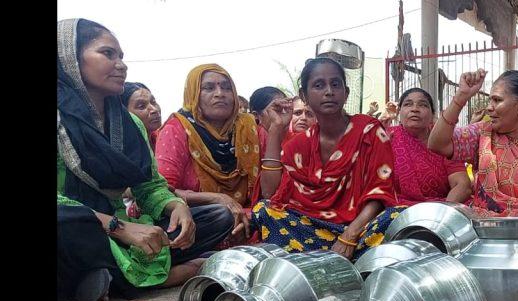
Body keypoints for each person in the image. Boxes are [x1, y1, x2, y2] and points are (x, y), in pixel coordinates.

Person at [57, 19, 232, 301]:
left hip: (126, 230)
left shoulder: (129, 125)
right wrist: (120, 229)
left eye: (122, 56)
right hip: (81, 226)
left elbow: (149, 185)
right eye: (108, 54)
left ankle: (105, 278)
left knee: (216, 217)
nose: (121, 65)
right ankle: (176, 273)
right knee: (67, 225)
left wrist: (176, 207)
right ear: (70, 58)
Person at [250, 57, 403, 260]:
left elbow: (379, 193)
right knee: (264, 211)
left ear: (346, 93)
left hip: (360, 228)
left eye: (335, 84)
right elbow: (270, 193)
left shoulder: (369, 130)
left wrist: (349, 236)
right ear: (304, 95)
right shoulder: (298, 144)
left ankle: (312, 259)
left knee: (397, 216)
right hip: (311, 227)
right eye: (319, 85)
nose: (329, 91)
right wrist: (277, 128)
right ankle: (333, 259)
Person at [427, 69, 518, 246]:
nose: (489, 107)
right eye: (490, 100)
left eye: (497, 100)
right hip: (485, 220)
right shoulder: (484, 131)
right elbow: (437, 144)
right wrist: (461, 97)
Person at [155, 64, 277, 241]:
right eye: (208, 88)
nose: (220, 93)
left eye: (227, 87)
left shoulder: (252, 127)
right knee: (220, 217)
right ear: (193, 94)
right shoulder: (177, 128)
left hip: (250, 216)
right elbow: (163, 191)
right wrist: (217, 199)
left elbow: (271, 191)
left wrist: (277, 131)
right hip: (203, 218)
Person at [389, 87, 473, 205]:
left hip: (442, 208)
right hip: (396, 209)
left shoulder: (446, 141)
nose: (415, 109)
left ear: (433, 115)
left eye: (422, 105)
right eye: (408, 104)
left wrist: (439, 215)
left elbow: (462, 186)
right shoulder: (387, 138)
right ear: (398, 114)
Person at [120, 82, 161, 149]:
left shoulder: (163, 140)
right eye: (141, 106)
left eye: (153, 102)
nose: (154, 109)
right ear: (125, 113)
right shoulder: (125, 150)